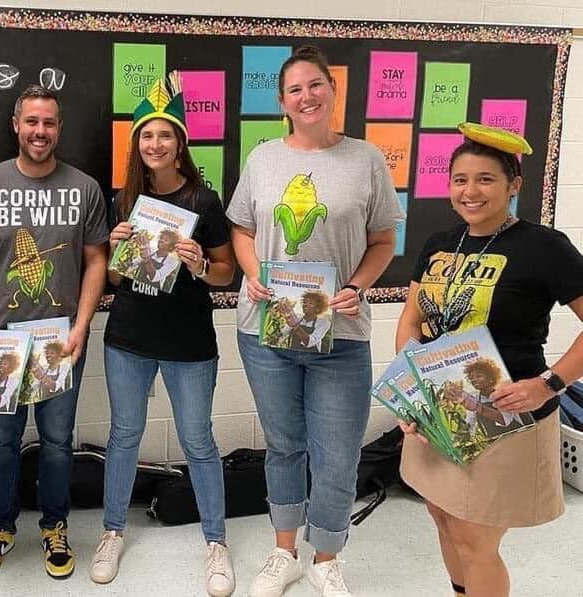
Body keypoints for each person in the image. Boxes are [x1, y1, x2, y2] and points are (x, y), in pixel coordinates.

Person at [226, 45, 403, 597]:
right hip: (266, 328)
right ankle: (285, 554)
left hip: (341, 333)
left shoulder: (367, 159)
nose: (306, 96)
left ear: (332, 90)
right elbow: (243, 230)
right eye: (295, 89)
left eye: (315, 85)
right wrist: (253, 273)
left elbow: (383, 241)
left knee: (339, 450)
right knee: (284, 445)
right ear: (282, 101)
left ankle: (326, 555)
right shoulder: (262, 159)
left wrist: (356, 287)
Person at [396, 123, 583, 597]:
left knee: (475, 535)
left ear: (513, 186)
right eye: (460, 179)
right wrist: (412, 395)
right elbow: (411, 321)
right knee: (443, 517)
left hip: (506, 414)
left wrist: (549, 383)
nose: (470, 190)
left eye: (486, 179)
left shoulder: (545, 247)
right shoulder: (439, 243)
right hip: (441, 410)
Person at [89, 72, 236, 597]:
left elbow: (227, 273)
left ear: (180, 143)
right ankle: (112, 532)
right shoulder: (121, 197)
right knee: (124, 435)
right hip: (128, 336)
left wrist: (199, 265)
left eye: (165, 135)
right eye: (146, 136)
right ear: (137, 144)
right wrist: (114, 245)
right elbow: (110, 279)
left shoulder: (204, 200)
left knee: (198, 439)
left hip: (189, 343)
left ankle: (216, 543)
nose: (155, 144)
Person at [0, 84, 108, 580]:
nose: (39, 132)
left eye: (48, 123)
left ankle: (54, 526)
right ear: (16, 125)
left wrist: (83, 325)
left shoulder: (84, 188)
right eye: (31, 122)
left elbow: (96, 260)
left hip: (58, 341)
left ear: (59, 128)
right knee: (1, 440)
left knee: (57, 439)